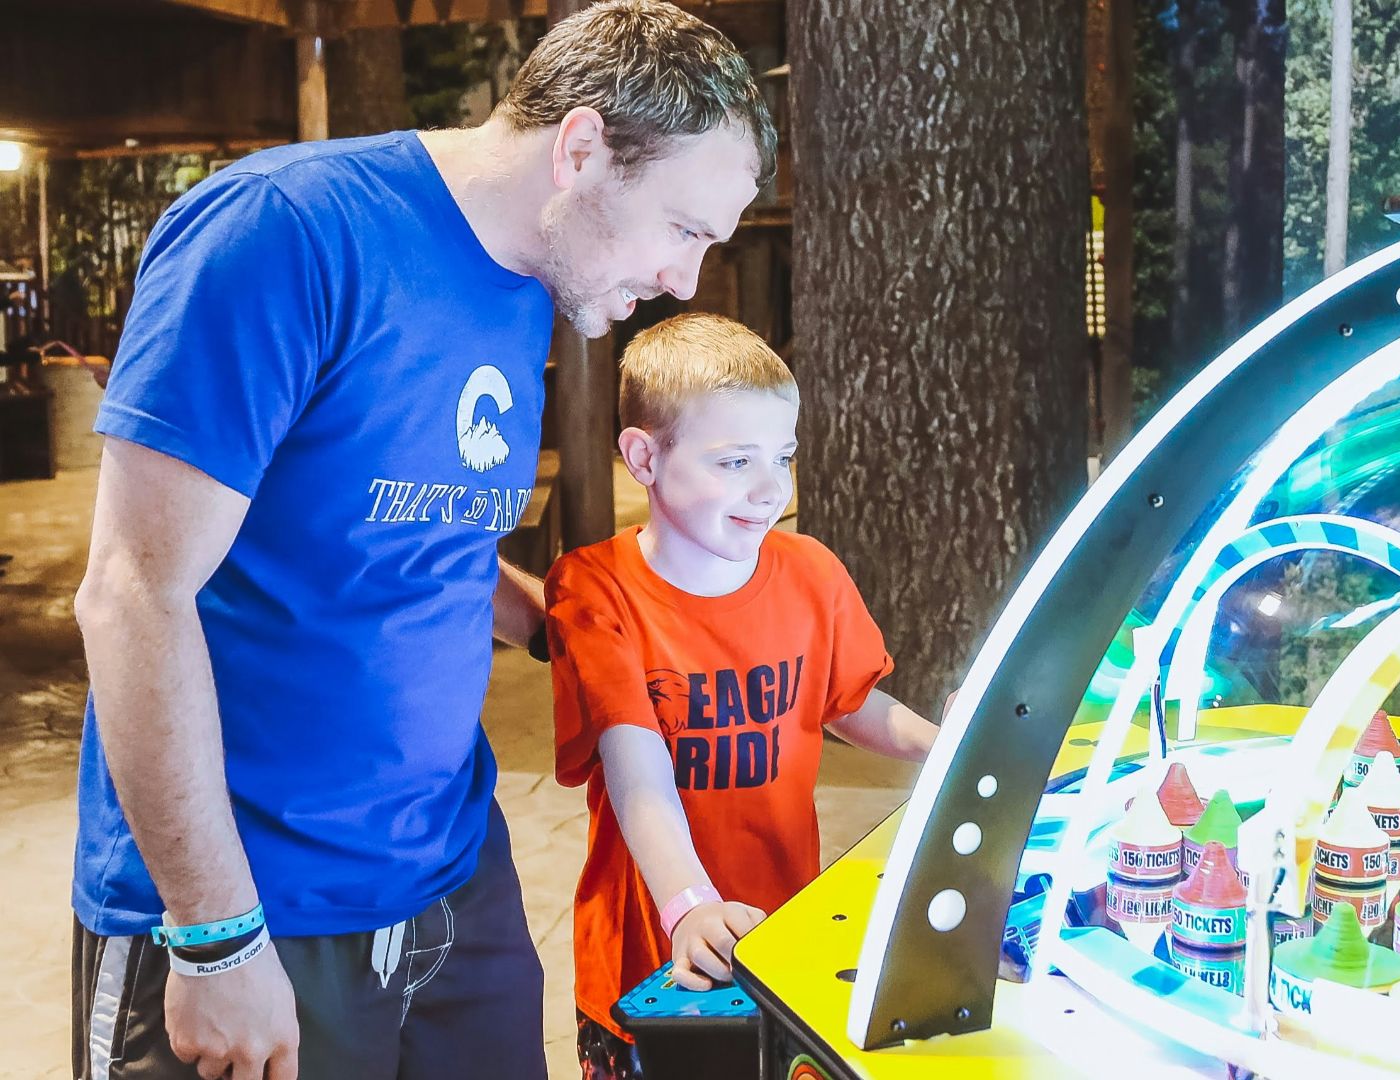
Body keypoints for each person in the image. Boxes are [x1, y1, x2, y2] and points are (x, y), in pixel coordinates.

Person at [68, 5, 775, 1079]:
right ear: (579, 150)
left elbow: (412, 521)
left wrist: (562, 624)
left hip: (453, 886)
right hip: (254, 906)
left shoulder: (530, 286)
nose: (685, 279)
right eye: (684, 229)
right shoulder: (283, 235)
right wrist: (212, 932)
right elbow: (132, 591)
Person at [545, 314, 940, 1079]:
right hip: (652, 951)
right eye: (734, 462)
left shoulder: (811, 571)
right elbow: (634, 761)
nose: (769, 489)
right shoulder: (595, 588)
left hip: (783, 927)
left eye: (783, 457)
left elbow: (847, 699)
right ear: (644, 457)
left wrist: (938, 743)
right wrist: (688, 902)